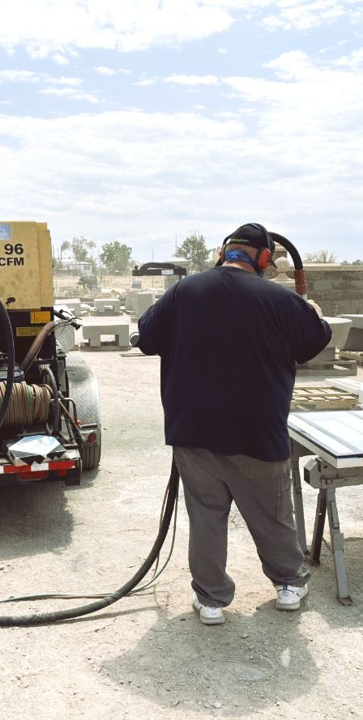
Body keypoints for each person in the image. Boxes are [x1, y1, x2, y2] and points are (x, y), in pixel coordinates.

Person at [136, 223, 332, 625]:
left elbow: (147, 337)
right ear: (265, 259)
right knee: (272, 515)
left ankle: (210, 601)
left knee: (206, 517)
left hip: (193, 430)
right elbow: (314, 342)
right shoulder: (280, 299)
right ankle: (288, 585)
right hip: (256, 432)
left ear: (224, 252)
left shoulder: (183, 291)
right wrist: (313, 312)